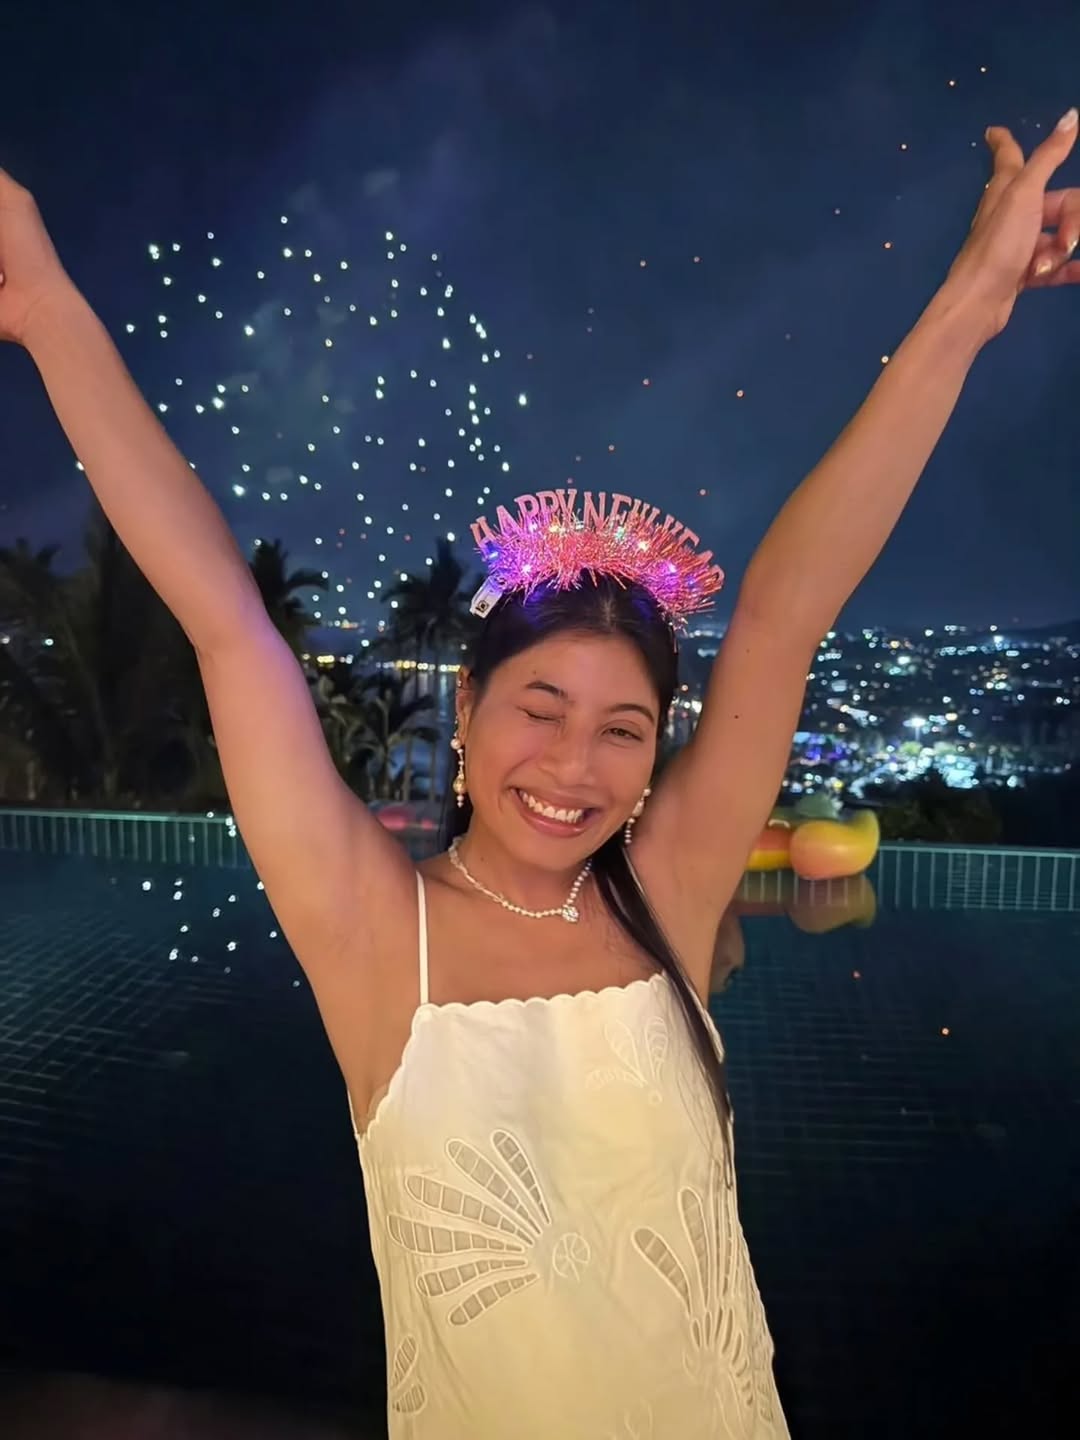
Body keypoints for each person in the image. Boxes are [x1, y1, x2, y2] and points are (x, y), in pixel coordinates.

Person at [1, 110, 1077, 1438]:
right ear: (469, 707)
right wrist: (47, 308)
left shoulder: (666, 891)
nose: (574, 765)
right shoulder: (374, 931)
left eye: (624, 729)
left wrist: (972, 305)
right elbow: (225, 616)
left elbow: (791, 606)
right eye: (542, 709)